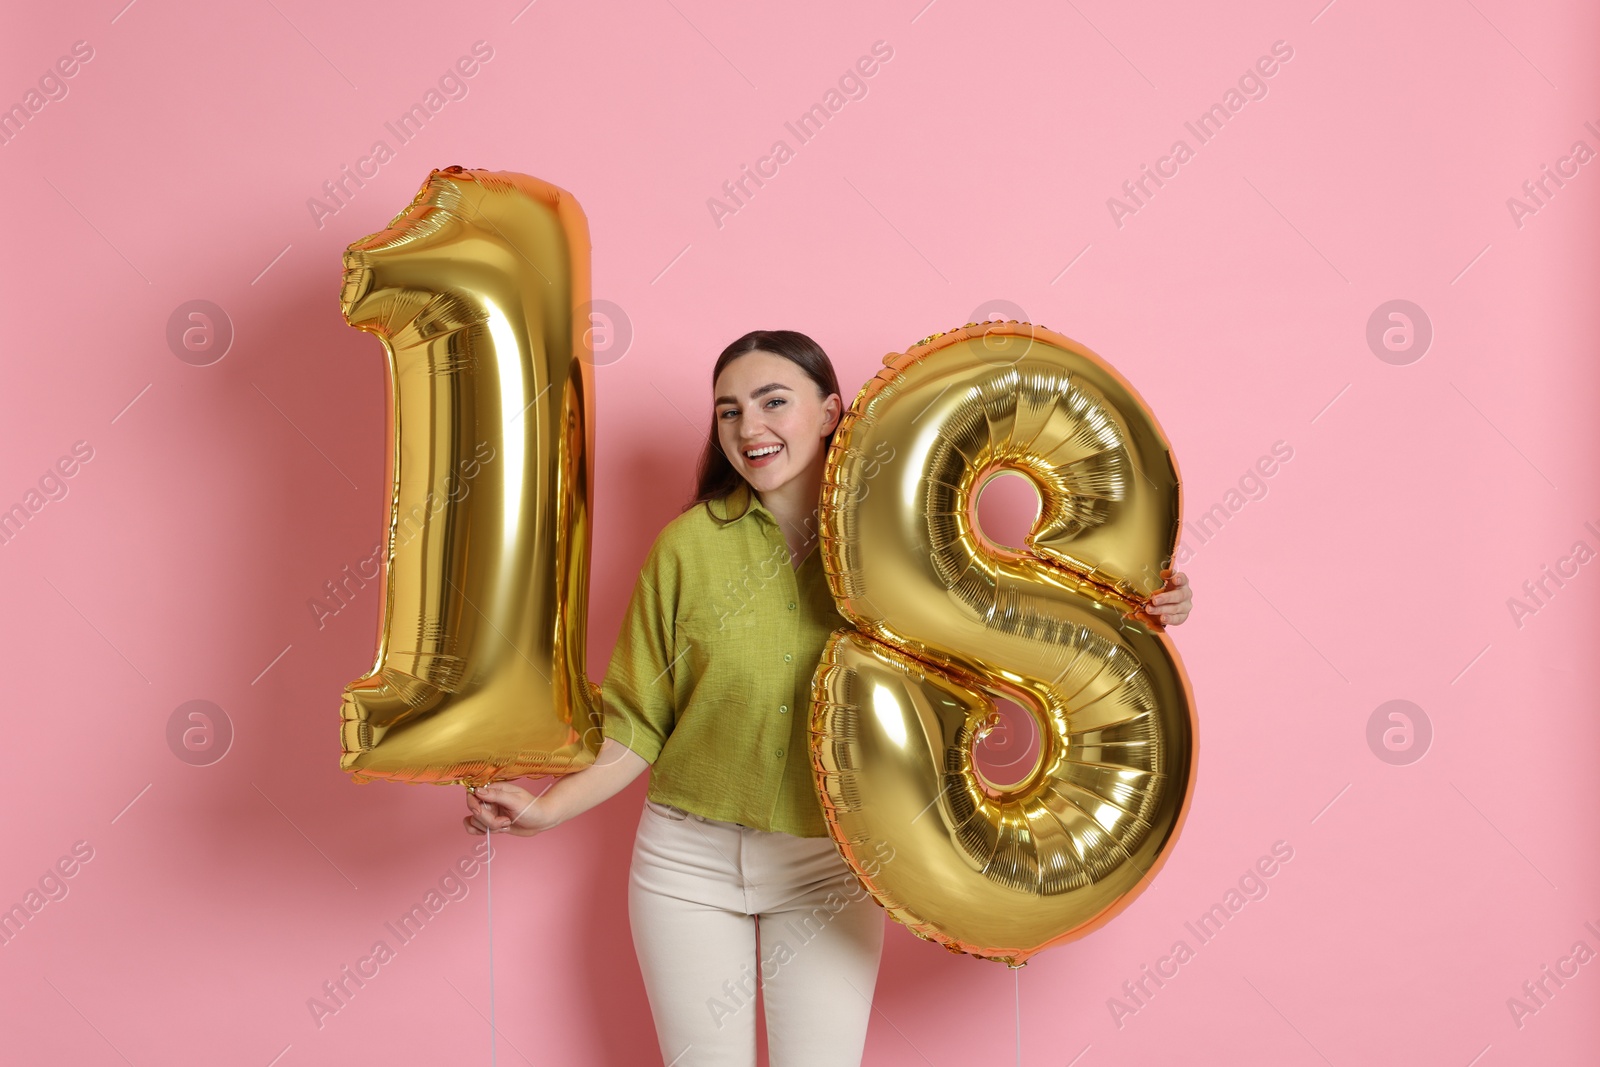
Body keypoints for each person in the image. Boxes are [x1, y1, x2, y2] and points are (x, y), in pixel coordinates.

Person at [463, 329, 1194, 1066]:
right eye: (728, 411)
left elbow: (1023, 631)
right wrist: (545, 807)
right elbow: (638, 723)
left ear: (829, 411)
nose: (750, 427)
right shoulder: (685, 548)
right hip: (686, 862)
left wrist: (1135, 601)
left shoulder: (916, 556)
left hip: (830, 863)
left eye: (773, 401)